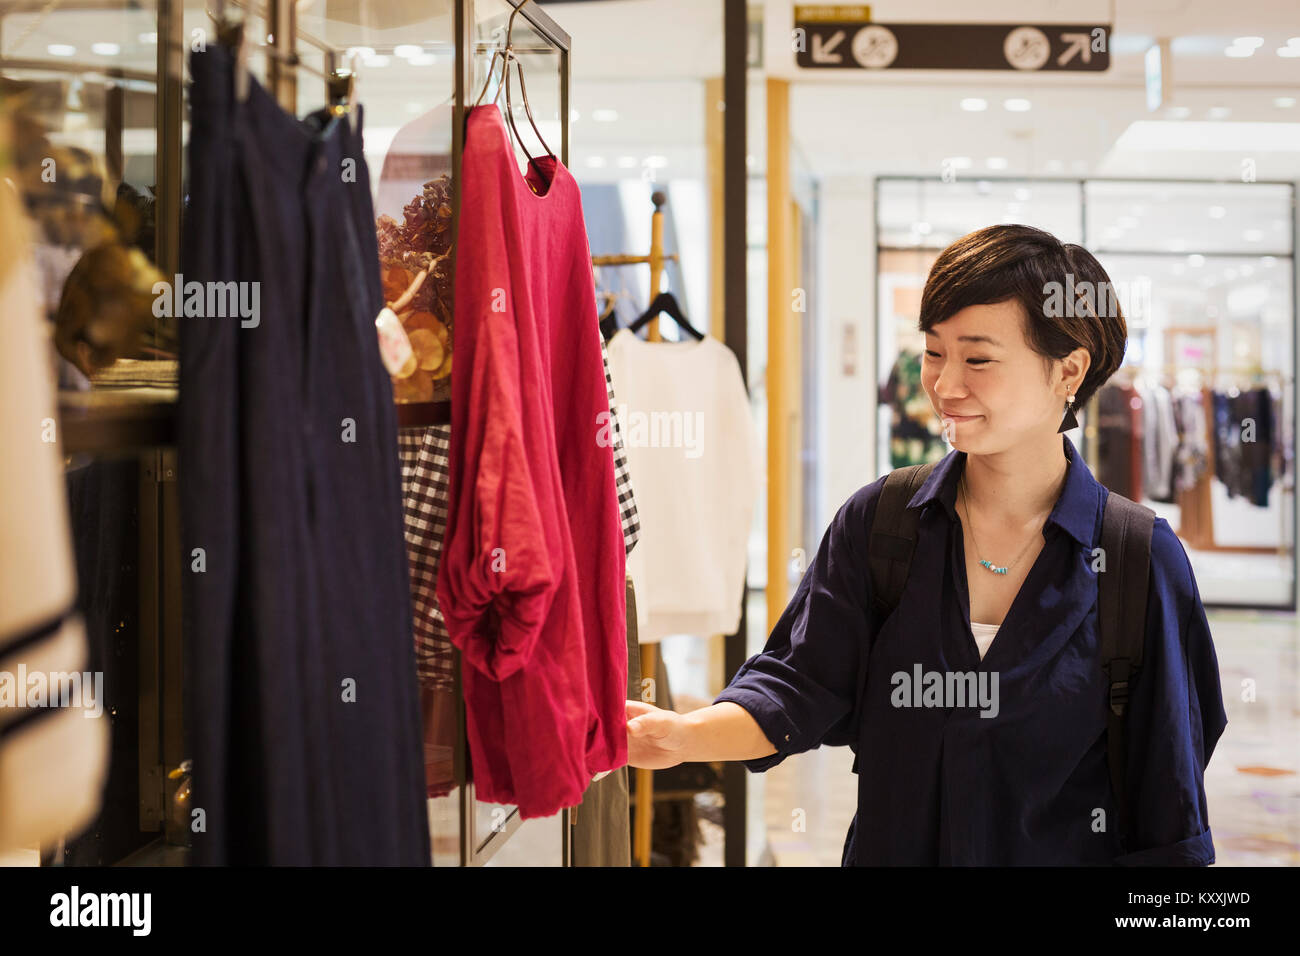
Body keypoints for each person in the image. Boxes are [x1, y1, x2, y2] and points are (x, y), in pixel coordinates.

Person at [625, 223, 1228, 866]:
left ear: (1068, 370)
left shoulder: (1137, 560)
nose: (943, 386)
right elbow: (797, 684)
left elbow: (1171, 812)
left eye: (977, 358)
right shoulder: (881, 524)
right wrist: (682, 736)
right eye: (933, 352)